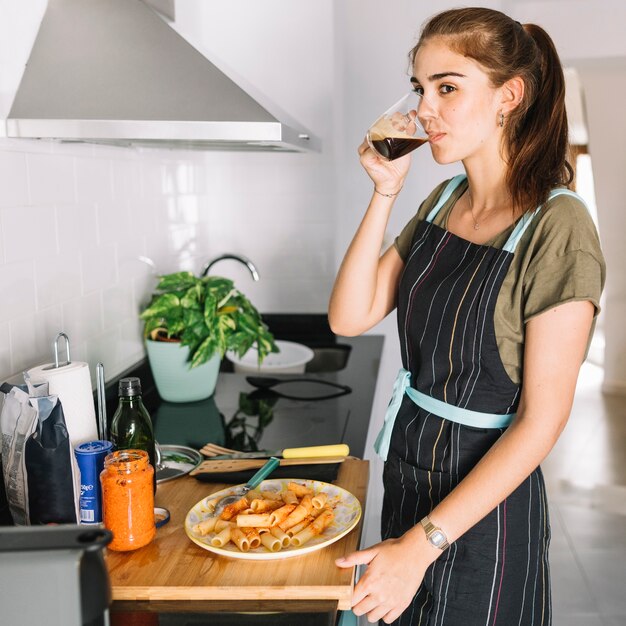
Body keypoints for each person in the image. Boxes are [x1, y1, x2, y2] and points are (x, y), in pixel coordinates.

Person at [329, 7, 606, 626]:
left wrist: (422, 545)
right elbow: (350, 316)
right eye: (420, 87)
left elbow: (542, 422)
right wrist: (384, 191)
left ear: (509, 95)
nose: (425, 109)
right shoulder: (444, 198)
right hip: (410, 477)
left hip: (484, 511)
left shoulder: (559, 227)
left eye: (448, 88)